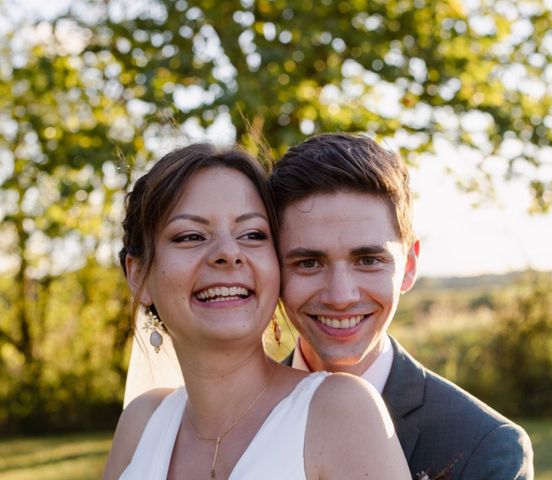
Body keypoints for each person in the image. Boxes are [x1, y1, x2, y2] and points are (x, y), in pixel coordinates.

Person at [103, 143, 411, 480]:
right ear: (138, 276)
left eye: (252, 234)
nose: (228, 252)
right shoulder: (142, 422)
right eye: (190, 236)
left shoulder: (341, 411)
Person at [269, 133, 534, 479]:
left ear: (408, 266)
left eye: (367, 260)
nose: (341, 296)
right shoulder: (238, 421)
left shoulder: (484, 447)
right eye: (308, 263)